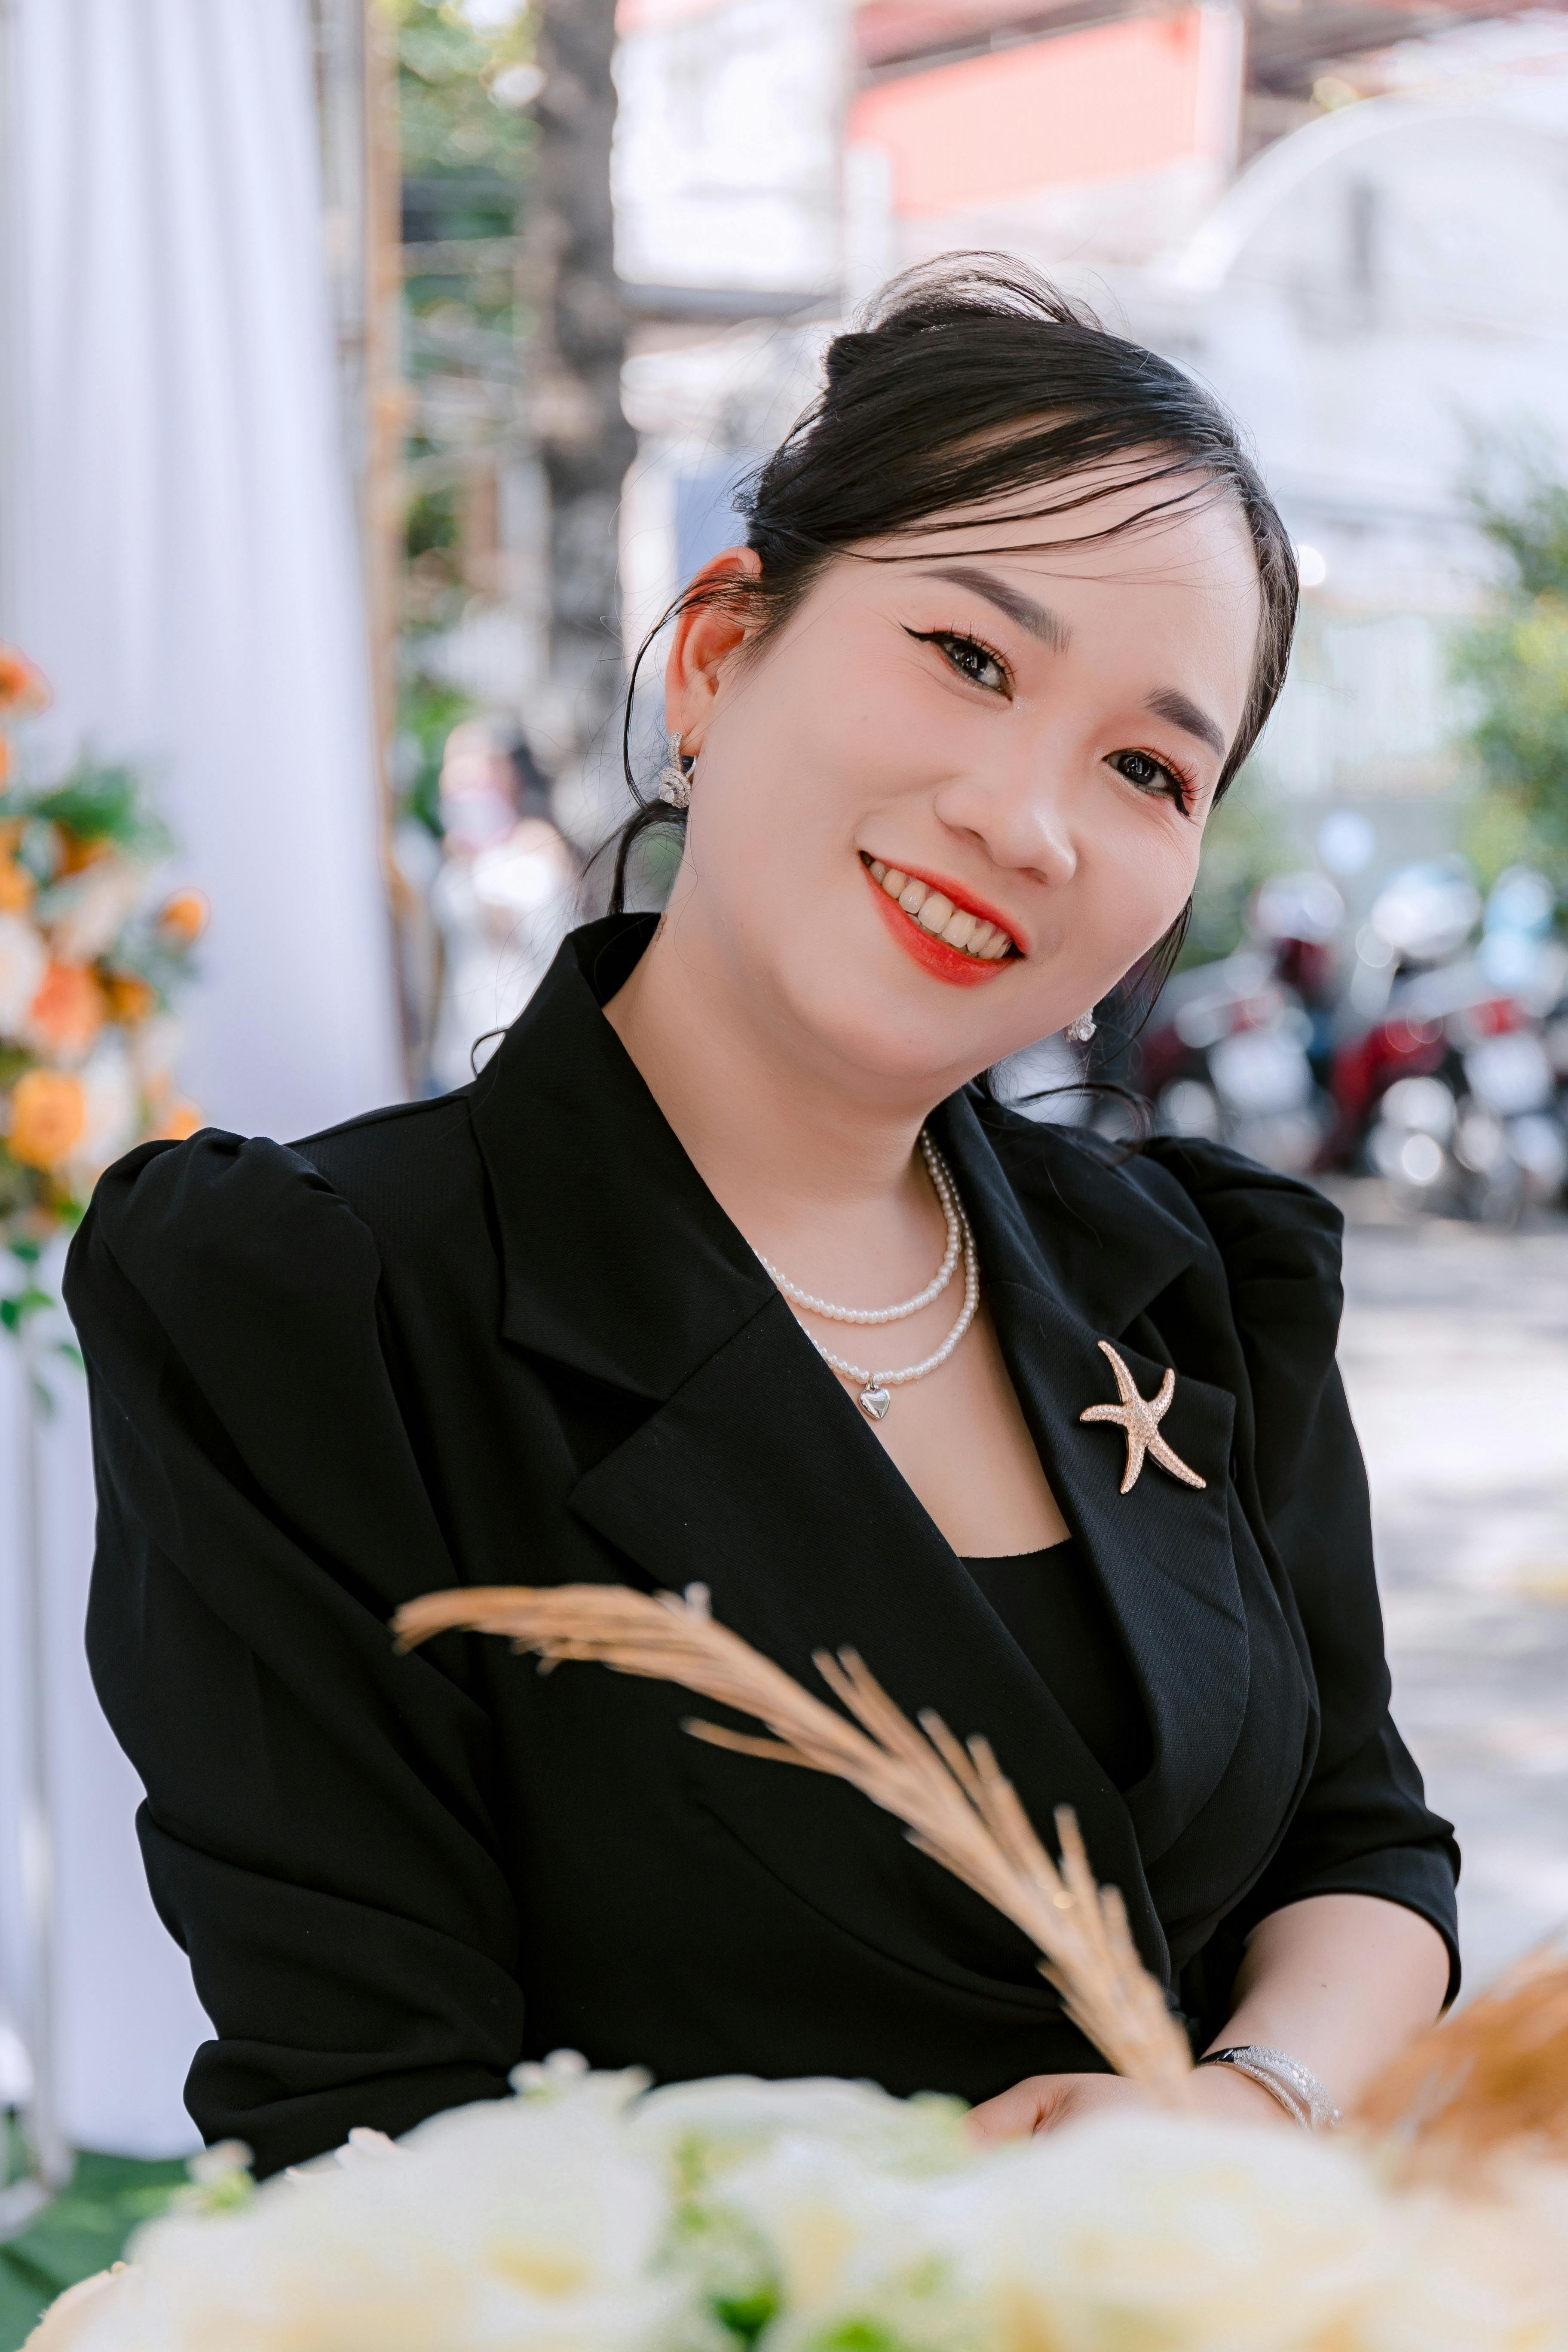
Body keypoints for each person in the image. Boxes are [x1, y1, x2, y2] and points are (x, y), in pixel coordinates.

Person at [66, 260, 1457, 2178]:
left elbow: (1364, 1846)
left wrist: (1237, 2118)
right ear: (719, 654)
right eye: (971, 656)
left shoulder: (1201, 1283)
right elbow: (369, 2134)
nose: (1029, 816)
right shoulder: (324, 1305)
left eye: (1150, 767)